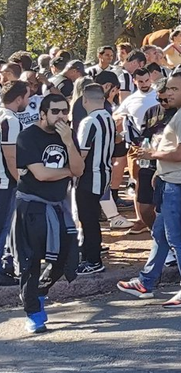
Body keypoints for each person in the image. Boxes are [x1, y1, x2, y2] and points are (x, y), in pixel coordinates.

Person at [116, 72, 181, 309]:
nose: (169, 93)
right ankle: (146, 281)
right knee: (161, 233)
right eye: (168, 89)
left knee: (178, 237)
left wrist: (151, 155)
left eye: (175, 89)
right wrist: (160, 172)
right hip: (174, 180)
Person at [13, 93, 84, 332]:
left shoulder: (67, 135)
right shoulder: (27, 136)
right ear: (43, 113)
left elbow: (79, 169)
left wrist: (69, 143)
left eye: (65, 111)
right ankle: (32, 310)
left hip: (58, 206)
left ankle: (40, 291)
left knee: (66, 258)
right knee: (31, 260)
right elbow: (41, 174)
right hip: (33, 207)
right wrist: (68, 171)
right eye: (55, 111)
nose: (61, 116)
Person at [73, 85, 115, 275]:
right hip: (104, 173)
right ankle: (92, 254)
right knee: (92, 218)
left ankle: (93, 260)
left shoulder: (89, 121)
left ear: (84, 100)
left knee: (88, 219)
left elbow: (82, 153)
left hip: (89, 175)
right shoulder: (108, 118)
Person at [1, 81, 30, 286]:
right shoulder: (10, 120)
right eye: (27, 97)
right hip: (4, 182)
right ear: (19, 98)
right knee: (3, 227)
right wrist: (21, 182)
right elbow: (10, 157)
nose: (28, 101)